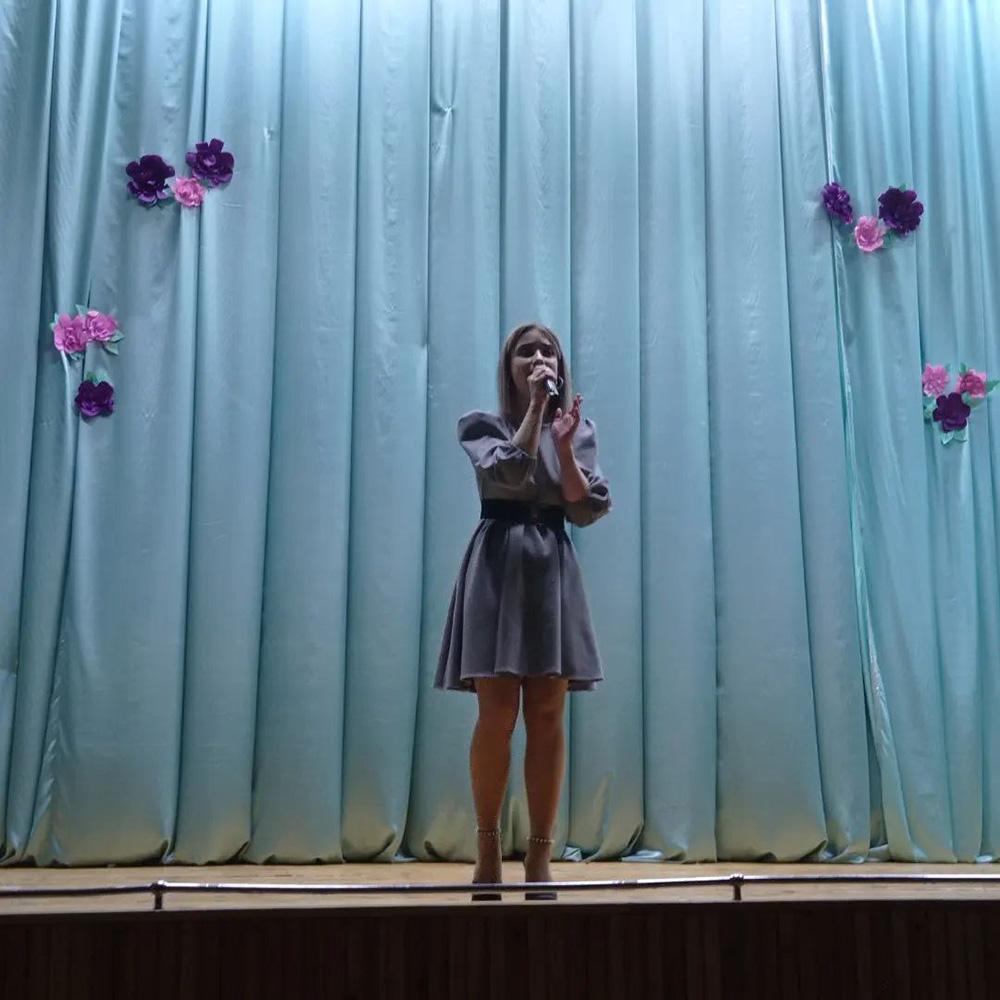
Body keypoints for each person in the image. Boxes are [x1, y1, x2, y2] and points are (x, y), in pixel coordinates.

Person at [435, 322, 611, 901]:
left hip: (551, 569)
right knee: (496, 714)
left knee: (548, 714)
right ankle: (487, 848)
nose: (538, 358)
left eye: (547, 351)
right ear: (508, 366)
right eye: (525, 351)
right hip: (497, 566)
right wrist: (536, 411)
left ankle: (539, 855)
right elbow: (509, 472)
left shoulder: (577, 430)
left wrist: (564, 445)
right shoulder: (481, 425)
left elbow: (586, 510)